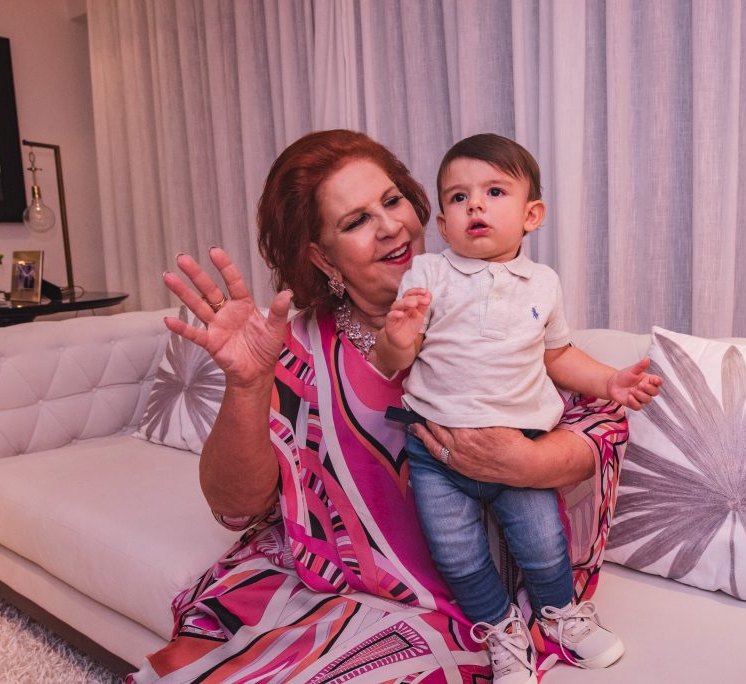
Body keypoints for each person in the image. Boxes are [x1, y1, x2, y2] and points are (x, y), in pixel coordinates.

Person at [130, 129, 658, 683]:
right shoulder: (298, 347)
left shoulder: (502, 299)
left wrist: (528, 463)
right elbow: (237, 508)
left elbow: (600, 422)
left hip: (484, 593)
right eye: (356, 221)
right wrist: (247, 384)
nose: (390, 227)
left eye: (392, 201)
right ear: (321, 256)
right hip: (346, 585)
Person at [375, 134, 660, 683]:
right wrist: (396, 336)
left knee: (544, 543)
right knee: (455, 553)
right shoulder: (428, 275)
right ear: (443, 225)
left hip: (523, 448)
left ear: (532, 215)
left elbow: (558, 356)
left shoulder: (543, 283)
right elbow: (394, 362)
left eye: (494, 192)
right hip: (436, 456)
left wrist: (610, 381)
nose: (475, 205)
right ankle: (500, 627)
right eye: (458, 197)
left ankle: (560, 614)